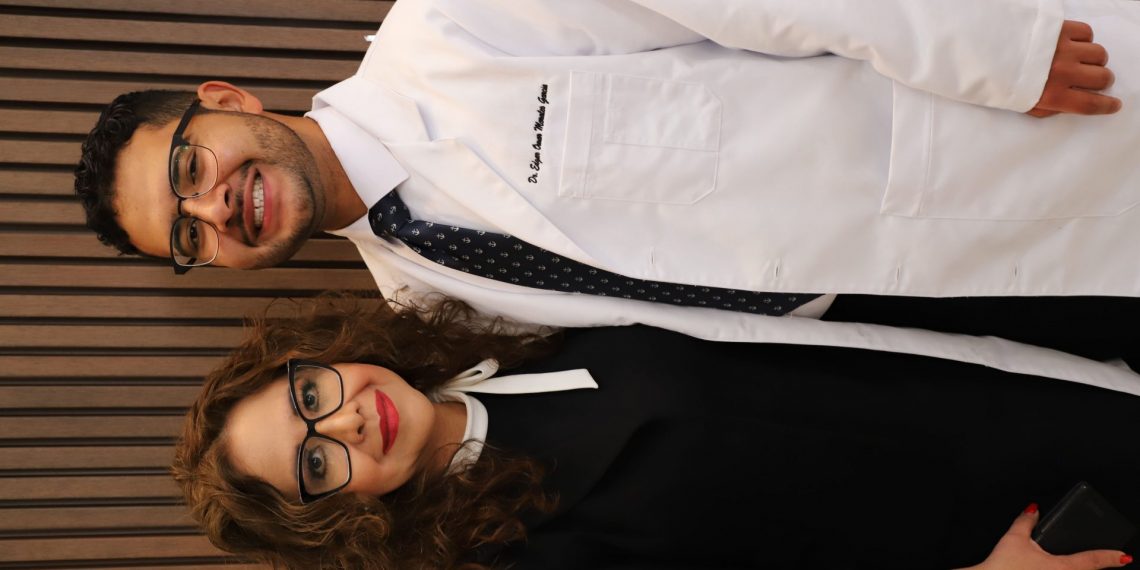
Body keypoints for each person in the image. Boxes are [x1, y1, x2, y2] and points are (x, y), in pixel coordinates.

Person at [75, 0, 1140, 385]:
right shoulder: (420, 311)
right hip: (911, 326)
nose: (213, 208)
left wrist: (984, 51)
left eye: (187, 169)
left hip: (988, 138)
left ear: (227, 100)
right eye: (186, 237)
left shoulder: (447, 30)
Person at [173, 295, 1140, 569]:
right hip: (1022, 506)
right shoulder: (521, 554)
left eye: (309, 395)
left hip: (997, 363)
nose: (345, 417)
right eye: (316, 462)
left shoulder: (494, 334)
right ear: (335, 520)